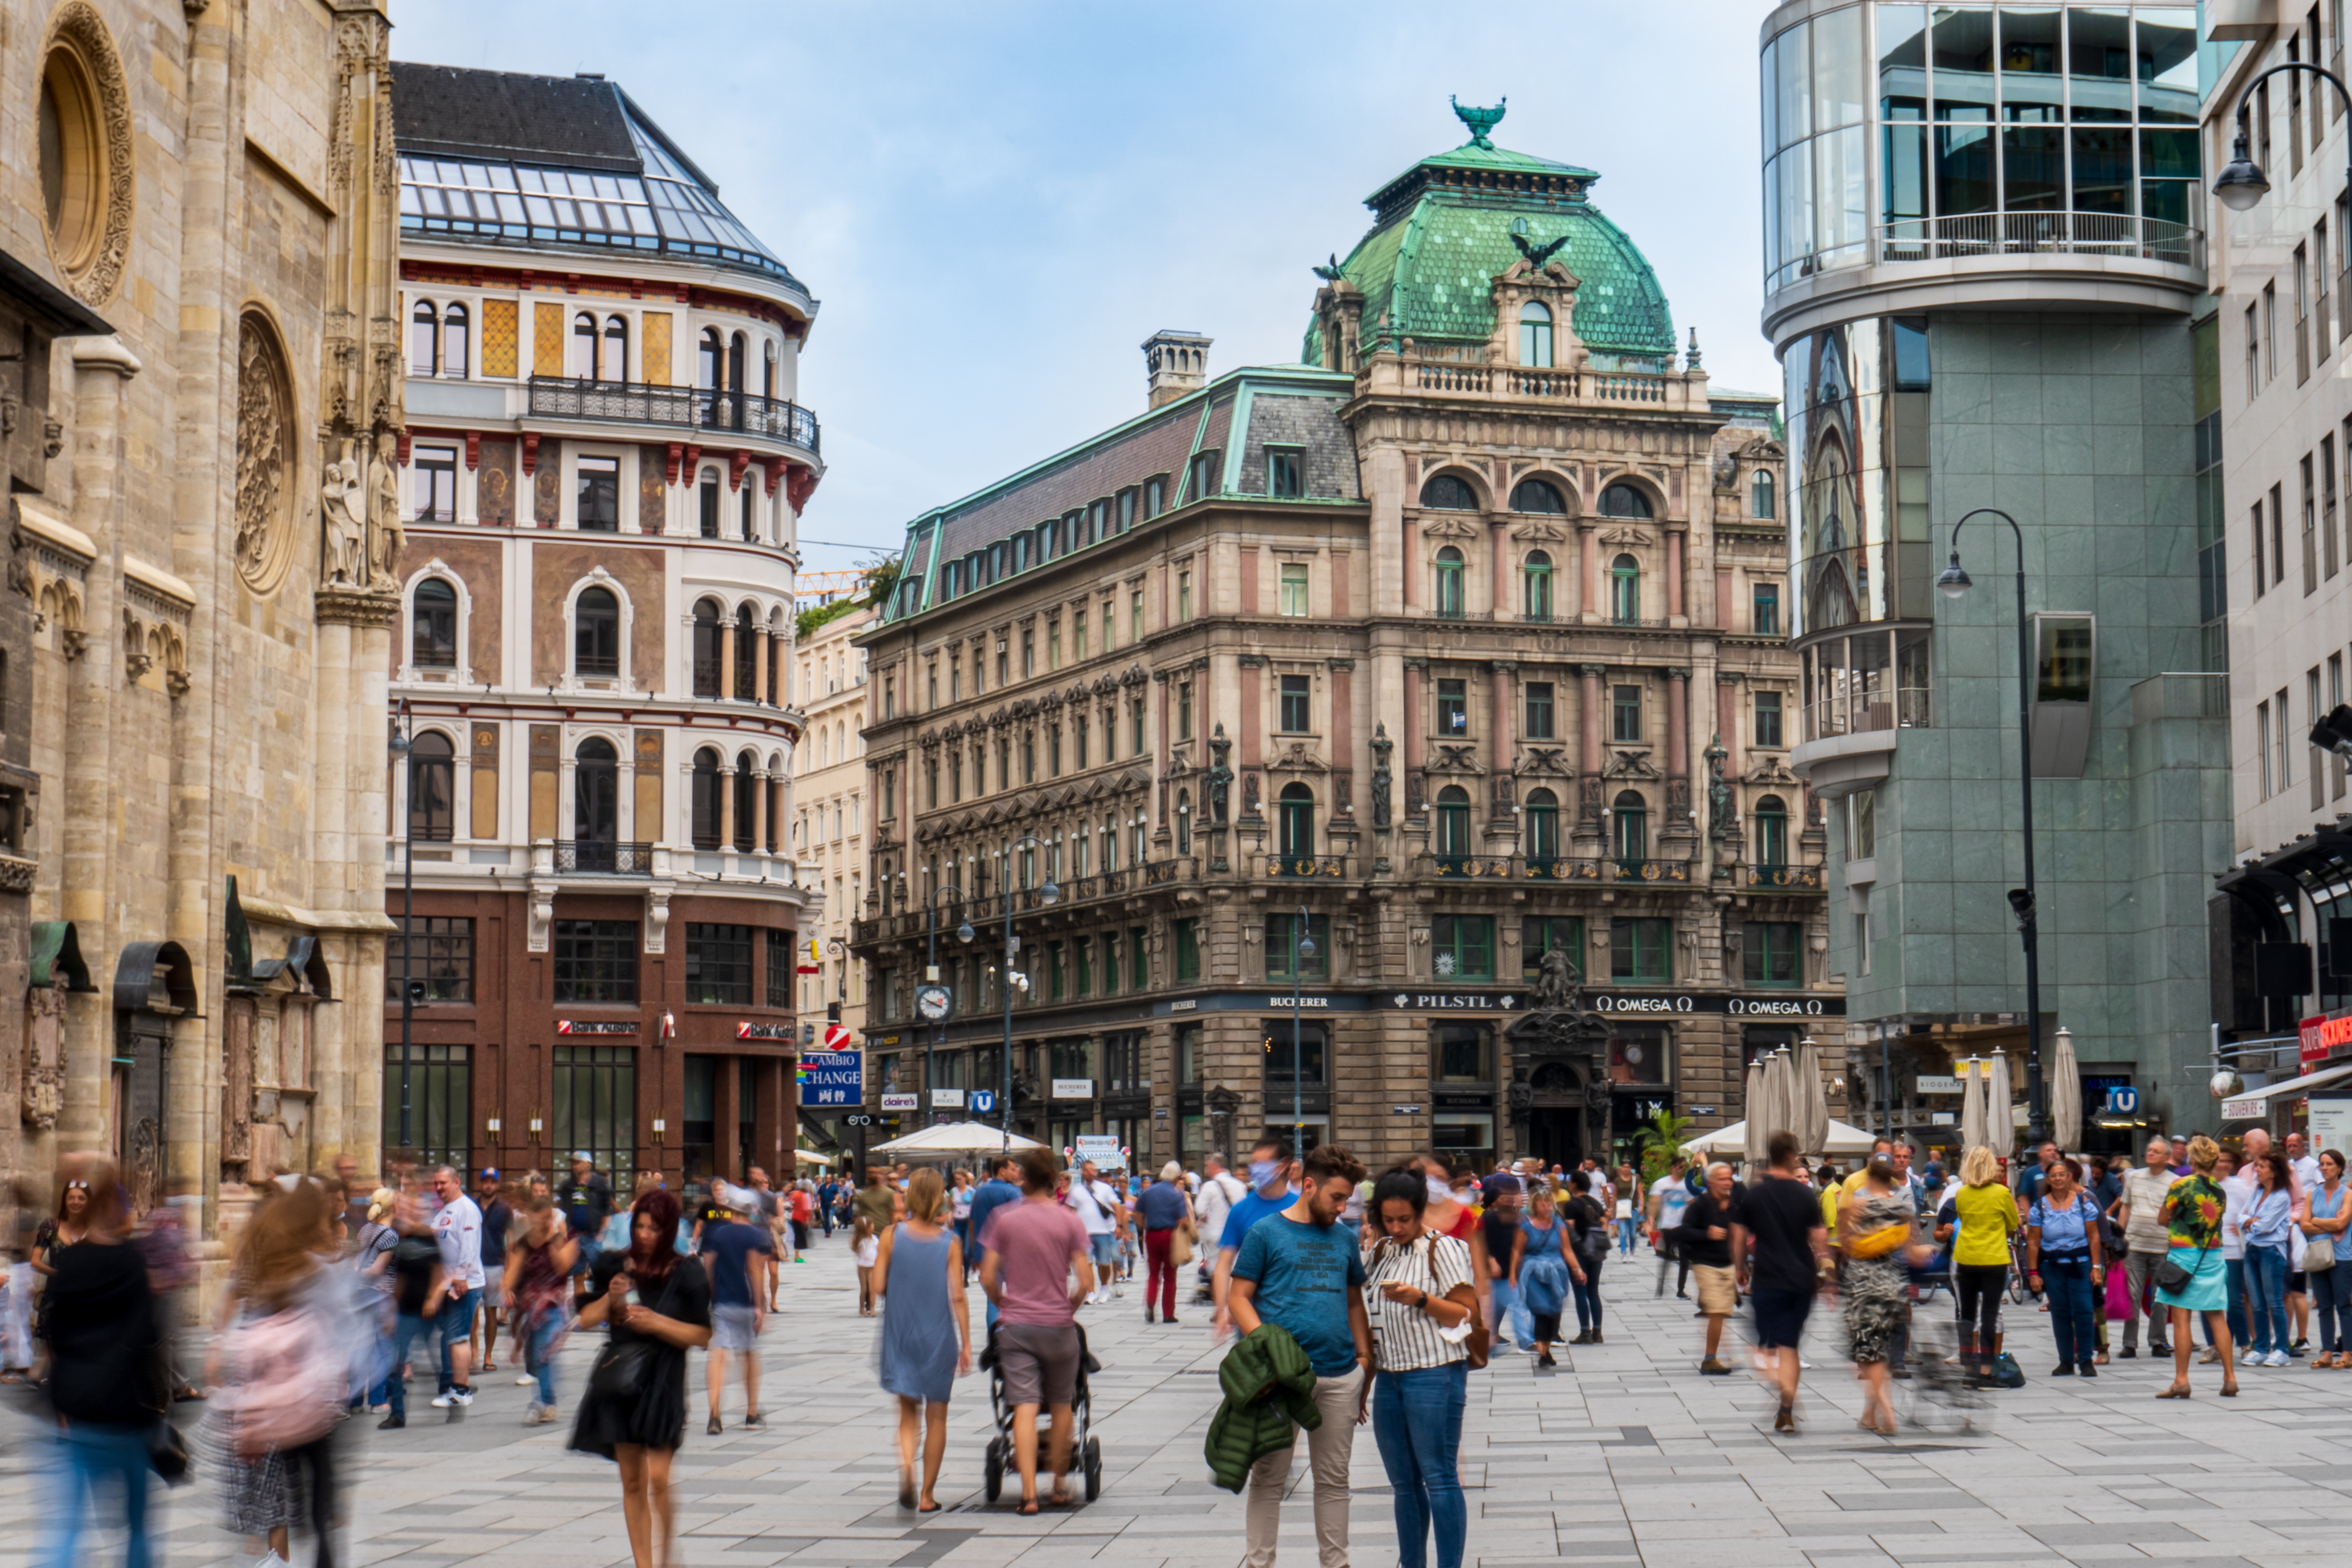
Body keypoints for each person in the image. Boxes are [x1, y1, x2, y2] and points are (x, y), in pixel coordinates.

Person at [1228, 1145, 1372, 1568]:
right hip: (1281, 1381)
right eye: (1337, 1197)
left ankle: (1337, 1563)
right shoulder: (1266, 1233)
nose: (1344, 1206)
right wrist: (1271, 1350)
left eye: (1348, 1198)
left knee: (1334, 1481)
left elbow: (1353, 1303)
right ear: (1309, 1185)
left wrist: (1364, 1361)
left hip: (1339, 1375)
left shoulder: (1345, 1237)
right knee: (1269, 1479)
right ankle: (1260, 1563)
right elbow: (1239, 1298)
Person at [570, 1188, 714, 1568]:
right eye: (640, 1226)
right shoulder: (614, 1264)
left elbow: (703, 1335)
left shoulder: (687, 1271)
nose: (646, 1234)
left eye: (654, 1227)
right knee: (633, 1482)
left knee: (660, 1480)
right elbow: (586, 1320)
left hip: (664, 1382)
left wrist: (657, 1322)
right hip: (622, 1380)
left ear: (667, 1230)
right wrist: (611, 1298)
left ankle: (667, 1551)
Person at [36, 1157, 160, 1568]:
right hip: (125, 1411)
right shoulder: (131, 1263)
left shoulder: (67, 1263)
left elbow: (55, 1333)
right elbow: (146, 1337)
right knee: (137, 1526)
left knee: (68, 1528)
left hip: (78, 1408)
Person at [1361, 1168, 1475, 1568]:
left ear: (1420, 1211)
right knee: (1404, 1485)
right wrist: (1365, 1384)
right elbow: (1373, 1323)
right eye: (1388, 1219)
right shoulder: (1379, 1252)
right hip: (1390, 1377)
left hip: (1434, 1372)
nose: (1396, 1227)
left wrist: (1422, 1298)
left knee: (1440, 1477)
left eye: (1404, 1219)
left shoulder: (1443, 1248)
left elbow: (1464, 1315)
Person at [978, 1146, 1095, 1515]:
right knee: (1062, 1405)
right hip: (1058, 1326)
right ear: (1054, 1180)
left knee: (1024, 1406)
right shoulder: (1070, 1220)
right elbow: (1086, 1281)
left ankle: (1029, 1494)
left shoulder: (1003, 1219)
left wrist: (1005, 1304)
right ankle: (1059, 1485)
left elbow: (986, 1276)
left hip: (1016, 1327)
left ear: (1022, 1178)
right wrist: (1067, 1307)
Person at [875, 1168, 971, 1512]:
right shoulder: (951, 1242)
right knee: (938, 1417)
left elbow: (876, 1286)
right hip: (939, 1337)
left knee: (906, 1414)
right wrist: (967, 1344)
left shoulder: (891, 1235)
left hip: (901, 1334)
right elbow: (958, 1296)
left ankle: (907, 1469)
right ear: (940, 1199)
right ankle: (928, 1495)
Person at [1742, 1131, 1828, 1432]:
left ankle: (1785, 1391)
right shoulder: (1805, 1194)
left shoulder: (1755, 1193)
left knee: (1762, 1348)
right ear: (1792, 1156)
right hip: (1801, 1280)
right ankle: (1787, 1408)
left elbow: (1740, 1234)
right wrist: (1828, 1274)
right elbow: (1820, 1237)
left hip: (1767, 1279)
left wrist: (1740, 1266)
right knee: (1789, 1346)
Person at [2152, 1135, 2235, 1399]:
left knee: (2181, 1319)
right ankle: (2230, 1377)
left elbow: (2163, 1218)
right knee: (2217, 1317)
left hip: (2184, 1257)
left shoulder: (2182, 1185)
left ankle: (2181, 1380)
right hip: (2213, 1257)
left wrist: (2180, 1225)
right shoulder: (2219, 1189)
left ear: (2194, 1159)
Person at [1837, 1154, 1911, 1435]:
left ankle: (1888, 1414)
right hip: (1893, 1285)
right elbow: (1912, 1252)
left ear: (1868, 1178)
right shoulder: (1902, 1208)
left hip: (1864, 1285)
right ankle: (1869, 1415)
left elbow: (1845, 1244)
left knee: (1867, 1354)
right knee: (1880, 1349)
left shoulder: (1856, 1206)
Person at [698, 1184, 775, 1433]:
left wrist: (711, 1296)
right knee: (750, 1354)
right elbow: (755, 1270)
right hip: (746, 1303)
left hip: (722, 1302)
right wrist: (760, 1306)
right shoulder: (756, 1235)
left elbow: (708, 1267)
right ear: (751, 1211)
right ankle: (751, 1413)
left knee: (718, 1353)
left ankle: (714, 1415)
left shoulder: (718, 1234)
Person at [2024, 1156, 2104, 1377]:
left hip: (2081, 1264)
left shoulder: (2083, 1202)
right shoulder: (2039, 1207)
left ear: (2069, 1177)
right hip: (2053, 1266)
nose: (2058, 1179)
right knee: (2060, 1313)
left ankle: (2087, 1360)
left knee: (2085, 1311)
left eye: (2062, 1175)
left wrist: (2096, 1267)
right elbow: (2033, 1242)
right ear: (2048, 1180)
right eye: (2054, 1176)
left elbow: (2094, 1236)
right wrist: (2033, 1273)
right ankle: (2066, 1361)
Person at [1214, 1136, 1301, 1336]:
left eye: (1264, 1163)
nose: (1256, 1168)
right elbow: (1224, 1264)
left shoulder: (1301, 1207)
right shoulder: (1241, 1211)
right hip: (1250, 1316)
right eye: (1254, 1163)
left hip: (1294, 1314)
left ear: (1283, 1166)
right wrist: (1222, 1309)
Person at [1949, 1145, 2020, 1384]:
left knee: (1967, 1315)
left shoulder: (1962, 1194)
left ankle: (1968, 1367)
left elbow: (1962, 1217)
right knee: (1989, 1314)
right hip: (1994, 1259)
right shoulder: (2001, 1193)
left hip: (1967, 1257)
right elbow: (2012, 1223)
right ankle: (1987, 1369)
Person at [505, 1196, 577, 1425]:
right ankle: (548, 1403)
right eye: (542, 1219)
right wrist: (506, 1289)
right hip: (532, 1309)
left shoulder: (558, 1239)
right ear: (532, 1219)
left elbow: (563, 1268)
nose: (546, 1222)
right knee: (538, 1359)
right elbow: (512, 1273)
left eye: (549, 1218)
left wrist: (552, 1237)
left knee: (544, 1354)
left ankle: (542, 1404)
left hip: (555, 1306)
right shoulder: (524, 1243)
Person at [2109, 1138, 2178, 1359]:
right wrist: (2119, 1238)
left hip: (2162, 1246)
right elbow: (2126, 1208)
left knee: (2160, 1296)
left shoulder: (2176, 1182)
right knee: (2132, 1294)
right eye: (2149, 1150)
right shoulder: (2134, 1177)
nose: (2150, 1154)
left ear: (2167, 1158)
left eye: (2156, 1152)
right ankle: (2129, 1343)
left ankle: (2158, 1340)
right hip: (2135, 1245)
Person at [426, 1164, 484, 1412]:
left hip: (465, 1284)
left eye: (444, 1183)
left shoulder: (467, 1209)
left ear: (457, 1182)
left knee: (459, 1336)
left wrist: (462, 1276)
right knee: (450, 1336)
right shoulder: (444, 1211)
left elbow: (469, 1245)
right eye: (436, 1184)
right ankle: (451, 1385)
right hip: (448, 1282)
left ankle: (461, 1390)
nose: (439, 1188)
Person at [1680, 1161, 1742, 1375]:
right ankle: (1710, 1359)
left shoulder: (1733, 1206)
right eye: (1722, 1179)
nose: (1728, 1183)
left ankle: (1716, 1354)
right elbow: (1684, 1232)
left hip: (1727, 1265)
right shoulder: (1700, 1205)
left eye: (1730, 1179)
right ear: (1710, 1182)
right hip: (1705, 1264)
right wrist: (1707, 1233)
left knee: (1722, 1312)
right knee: (1717, 1311)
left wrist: (1742, 1266)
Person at [1510, 1180, 1575, 1367]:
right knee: (1541, 1311)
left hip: (1557, 1272)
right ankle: (1542, 1353)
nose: (1546, 1206)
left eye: (1548, 1202)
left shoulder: (1558, 1224)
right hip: (1533, 1275)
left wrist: (1577, 1269)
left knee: (1554, 1311)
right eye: (1542, 1202)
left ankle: (1546, 1350)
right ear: (1534, 1204)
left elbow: (1567, 1249)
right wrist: (1514, 1275)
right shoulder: (1526, 1227)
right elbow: (1517, 1251)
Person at [2240, 1151, 2295, 1367]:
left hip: (2271, 1251)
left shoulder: (2282, 1197)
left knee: (2274, 1301)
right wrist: (2251, 1221)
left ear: (2273, 1173)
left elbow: (2266, 1226)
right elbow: (2240, 1216)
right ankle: (2261, 1347)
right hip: (2252, 1249)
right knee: (2257, 1303)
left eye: (2262, 1167)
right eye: (2257, 1166)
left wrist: (2250, 1222)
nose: (2257, 1170)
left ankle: (2282, 1349)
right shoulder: (2256, 1192)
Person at [1138, 1162, 1193, 1325]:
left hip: (1152, 1235)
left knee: (1154, 1274)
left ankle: (1150, 1303)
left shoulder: (1148, 1192)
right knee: (1170, 1276)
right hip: (1170, 1236)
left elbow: (1138, 1215)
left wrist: (1144, 1226)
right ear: (1176, 1177)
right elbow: (1183, 1221)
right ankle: (1168, 1314)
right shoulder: (1177, 1195)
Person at [1066, 1160, 1125, 1305]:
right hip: (1084, 1233)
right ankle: (1091, 1292)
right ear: (1082, 1172)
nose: (1091, 1173)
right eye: (1087, 1170)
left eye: (1093, 1170)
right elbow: (1070, 1210)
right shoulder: (1076, 1190)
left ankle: (1104, 1288)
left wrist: (1119, 1226)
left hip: (1104, 1231)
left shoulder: (1105, 1188)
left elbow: (1117, 1206)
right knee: (1087, 1264)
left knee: (1104, 1263)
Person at [1562, 1171, 1609, 1345]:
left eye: (1570, 1181)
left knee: (1580, 1292)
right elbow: (1605, 1222)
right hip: (1596, 1250)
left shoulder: (1571, 1205)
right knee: (1593, 1291)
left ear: (1575, 1184)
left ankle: (1585, 1332)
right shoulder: (1596, 1203)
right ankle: (1598, 1332)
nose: (1568, 1184)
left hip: (1579, 1251)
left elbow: (1570, 1229)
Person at [1479, 1172, 1524, 1350]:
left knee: (1500, 1304)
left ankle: (1493, 1334)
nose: (1508, 1200)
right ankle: (1524, 1340)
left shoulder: (1514, 1216)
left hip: (1507, 1264)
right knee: (1510, 1304)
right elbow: (1482, 1243)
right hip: (1495, 1266)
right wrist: (1491, 1261)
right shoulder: (1489, 1217)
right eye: (1503, 1197)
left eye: (1510, 1197)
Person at [473, 1170, 511, 1377]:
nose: (489, 1185)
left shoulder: (505, 1208)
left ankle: (488, 1356)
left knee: (491, 1312)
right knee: (471, 1313)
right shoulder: (472, 1204)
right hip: (474, 1264)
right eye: (485, 1182)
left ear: (498, 1184)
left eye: (493, 1182)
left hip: (495, 1264)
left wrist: (509, 1270)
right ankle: (473, 1354)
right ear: (481, 1183)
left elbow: (511, 1240)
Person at [966, 1156, 1022, 1290]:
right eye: (1012, 1170)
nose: (1015, 1174)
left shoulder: (979, 1193)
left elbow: (972, 1225)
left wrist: (974, 1254)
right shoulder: (1012, 1192)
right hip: (1009, 1252)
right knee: (1016, 1295)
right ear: (1002, 1171)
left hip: (986, 1252)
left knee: (992, 1300)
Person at [1196, 1154, 1245, 1300]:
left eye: (1208, 1166)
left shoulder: (1209, 1186)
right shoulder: (1240, 1185)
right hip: (1236, 1235)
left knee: (1218, 1272)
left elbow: (1199, 1209)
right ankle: (1232, 1305)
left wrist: (1206, 1218)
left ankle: (1220, 1309)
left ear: (1214, 1166)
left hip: (1216, 1235)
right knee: (1233, 1271)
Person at [1648, 1157, 1694, 1299]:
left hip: (1683, 1226)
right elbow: (1654, 1202)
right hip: (1667, 1225)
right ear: (1673, 1168)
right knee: (1666, 1257)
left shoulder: (1688, 1184)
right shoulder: (1661, 1184)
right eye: (1680, 1167)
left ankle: (1681, 1290)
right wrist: (1651, 1219)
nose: (1682, 1170)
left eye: (1684, 1167)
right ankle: (1660, 1287)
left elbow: (1692, 1203)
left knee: (1685, 1259)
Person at [561, 1154, 615, 1272]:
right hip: (575, 1237)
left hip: (594, 1238)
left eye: (578, 1163)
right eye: (573, 1163)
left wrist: (602, 1235)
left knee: (599, 1273)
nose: (574, 1166)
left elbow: (606, 1211)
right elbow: (564, 1212)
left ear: (588, 1164)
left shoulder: (599, 1184)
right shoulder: (568, 1186)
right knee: (577, 1275)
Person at [853, 1210, 881, 1316]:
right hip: (862, 1266)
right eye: (872, 1224)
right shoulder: (860, 1241)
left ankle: (872, 1309)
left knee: (872, 1289)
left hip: (872, 1266)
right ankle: (862, 1308)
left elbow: (878, 1249)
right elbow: (857, 1250)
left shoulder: (874, 1239)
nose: (874, 1226)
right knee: (864, 1289)